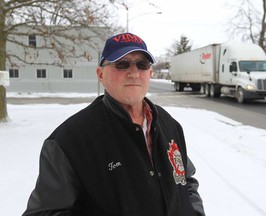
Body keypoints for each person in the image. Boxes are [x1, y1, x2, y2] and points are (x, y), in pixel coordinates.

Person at [22, 32, 205, 216]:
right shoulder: (70, 140)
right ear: (101, 75)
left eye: (141, 64)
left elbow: (186, 181)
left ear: (150, 73)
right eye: (122, 64)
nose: (133, 73)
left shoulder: (169, 124)